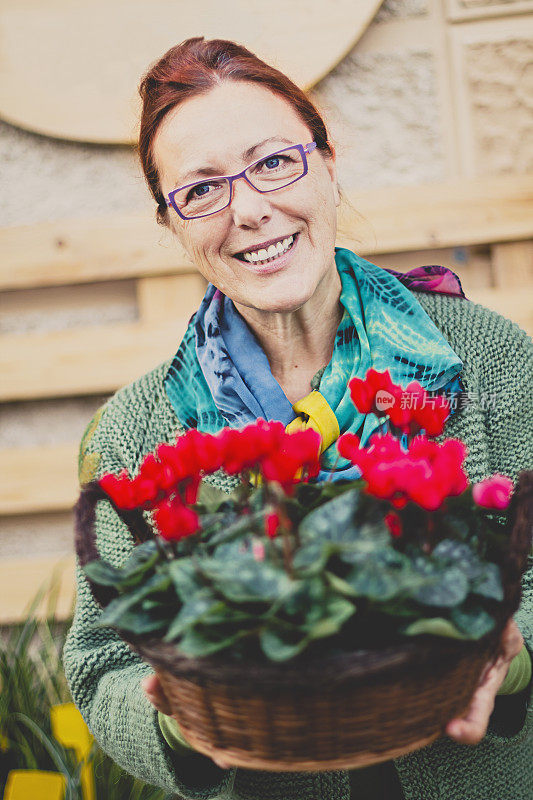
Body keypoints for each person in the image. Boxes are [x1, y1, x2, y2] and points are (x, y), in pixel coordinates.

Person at [64, 37, 532, 800]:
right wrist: (178, 721)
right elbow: (100, 663)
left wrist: (507, 656)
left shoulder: (486, 361)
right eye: (201, 190)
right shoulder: (136, 431)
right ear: (170, 223)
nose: (249, 210)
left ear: (327, 162)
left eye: (274, 162)